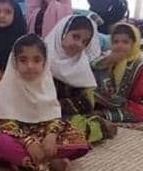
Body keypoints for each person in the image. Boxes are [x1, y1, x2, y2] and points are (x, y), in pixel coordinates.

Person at [0, 34, 90, 171]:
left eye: (36, 60)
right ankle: (47, 162)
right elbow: (3, 125)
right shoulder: (6, 88)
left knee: (78, 137)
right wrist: (28, 143)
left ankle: (26, 161)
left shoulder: (46, 85)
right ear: (15, 62)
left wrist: (51, 136)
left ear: (44, 62)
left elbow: (54, 117)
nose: (30, 66)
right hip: (18, 139)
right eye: (23, 60)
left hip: (44, 136)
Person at [45, 14, 114, 144]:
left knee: (71, 126)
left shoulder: (81, 65)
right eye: (75, 37)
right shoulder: (42, 57)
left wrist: (58, 106)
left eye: (84, 42)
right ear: (62, 32)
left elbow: (87, 103)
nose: (79, 44)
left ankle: (98, 127)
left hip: (66, 114)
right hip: (39, 110)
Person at [93, 22, 143, 123]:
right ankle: (100, 111)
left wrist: (122, 102)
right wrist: (108, 60)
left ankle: (102, 114)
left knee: (140, 112)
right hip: (101, 98)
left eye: (125, 42)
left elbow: (138, 92)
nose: (120, 46)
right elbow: (93, 67)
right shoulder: (108, 58)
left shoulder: (139, 67)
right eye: (115, 42)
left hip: (123, 102)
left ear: (134, 44)